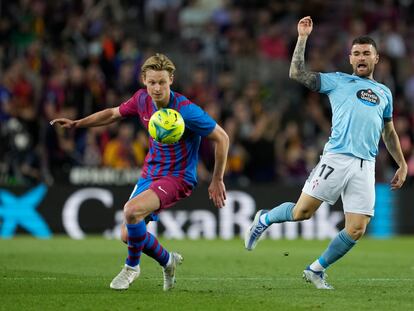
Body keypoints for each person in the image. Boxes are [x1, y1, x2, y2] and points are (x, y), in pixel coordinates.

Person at [244, 16, 407, 290]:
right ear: (350, 59)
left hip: (365, 165)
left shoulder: (384, 93)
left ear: (377, 58)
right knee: (301, 213)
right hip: (336, 158)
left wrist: (401, 164)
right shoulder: (337, 81)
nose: (361, 57)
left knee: (356, 228)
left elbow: (388, 132)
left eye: (366, 53)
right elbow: (297, 74)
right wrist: (302, 37)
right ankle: (264, 218)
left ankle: (316, 270)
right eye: (356, 53)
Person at [51, 53, 229, 291]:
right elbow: (113, 114)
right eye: (152, 82)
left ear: (171, 80)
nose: (157, 88)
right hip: (150, 173)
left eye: (162, 82)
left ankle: (131, 268)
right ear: (144, 80)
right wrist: (77, 123)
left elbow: (222, 138)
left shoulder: (187, 111)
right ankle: (168, 261)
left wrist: (217, 178)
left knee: (131, 210)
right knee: (128, 234)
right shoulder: (141, 99)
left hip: (178, 177)